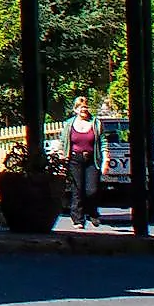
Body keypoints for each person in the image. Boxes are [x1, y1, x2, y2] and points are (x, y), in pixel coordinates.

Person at [64, 95, 103, 228]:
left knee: (92, 190)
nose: (83, 110)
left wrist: (107, 158)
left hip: (92, 159)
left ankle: (92, 212)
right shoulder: (69, 124)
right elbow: (64, 142)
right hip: (75, 159)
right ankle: (78, 220)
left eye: (85, 107)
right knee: (77, 189)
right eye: (81, 107)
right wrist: (63, 158)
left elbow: (103, 141)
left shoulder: (95, 123)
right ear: (75, 110)